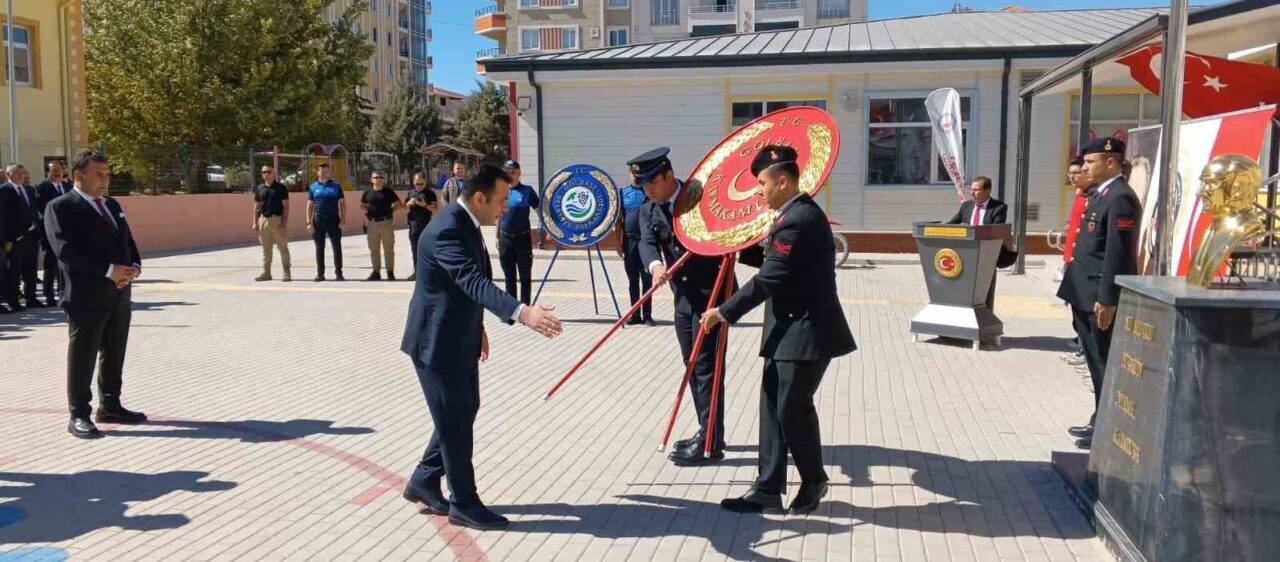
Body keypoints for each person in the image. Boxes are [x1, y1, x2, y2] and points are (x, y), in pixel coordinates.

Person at [399, 165, 563, 530]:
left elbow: (465, 287)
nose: (506, 206)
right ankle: (464, 502)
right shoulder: (445, 231)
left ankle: (424, 480)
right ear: (478, 198)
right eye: (502, 199)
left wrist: (480, 326)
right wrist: (522, 312)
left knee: (462, 410)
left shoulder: (466, 224)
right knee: (454, 421)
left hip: (459, 336)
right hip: (435, 343)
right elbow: (472, 280)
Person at [702, 145, 857, 515]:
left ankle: (813, 478)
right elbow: (775, 256)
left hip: (806, 333)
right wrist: (736, 247)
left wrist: (723, 312)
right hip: (787, 333)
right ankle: (768, 488)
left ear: (783, 181)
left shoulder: (799, 219)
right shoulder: (790, 215)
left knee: (791, 409)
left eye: (761, 183)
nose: (758, 190)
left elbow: (770, 277)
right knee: (772, 407)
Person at [630, 147, 730, 467]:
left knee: (707, 368)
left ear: (668, 176)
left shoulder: (699, 199)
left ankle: (710, 442)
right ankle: (709, 429)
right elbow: (646, 243)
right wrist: (656, 266)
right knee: (691, 366)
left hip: (711, 295)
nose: (649, 191)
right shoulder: (650, 209)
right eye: (643, 187)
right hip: (682, 298)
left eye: (652, 184)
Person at [44, 149, 147, 439]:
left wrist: (134, 266)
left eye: (108, 173)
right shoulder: (61, 207)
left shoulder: (112, 205)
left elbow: (127, 240)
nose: (106, 179)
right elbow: (65, 251)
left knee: (115, 352)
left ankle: (111, 405)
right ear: (78, 176)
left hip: (119, 292)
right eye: (98, 174)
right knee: (83, 354)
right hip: (85, 295)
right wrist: (108, 270)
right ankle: (78, 414)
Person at [1057, 137, 1140, 450]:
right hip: (1084, 293)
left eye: (1091, 163)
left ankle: (1107, 429)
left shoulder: (1120, 198)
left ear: (1111, 162)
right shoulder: (1101, 194)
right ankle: (1099, 420)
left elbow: (1118, 255)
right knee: (1095, 363)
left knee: (1105, 363)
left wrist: (1108, 299)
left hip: (1098, 298)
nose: (1085, 167)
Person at [1060, 158, 1090, 370]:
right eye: (1070, 173)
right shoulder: (1079, 195)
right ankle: (1080, 342)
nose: (1072, 176)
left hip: (1081, 262)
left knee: (1081, 307)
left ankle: (1084, 349)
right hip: (1070, 259)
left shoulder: (1091, 197)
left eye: (1076, 173)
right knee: (1073, 305)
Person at [497, 160, 539, 304]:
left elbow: (539, 210)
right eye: (507, 172)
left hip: (522, 238)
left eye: (513, 172)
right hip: (505, 239)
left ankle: (525, 308)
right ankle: (511, 310)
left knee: (525, 277)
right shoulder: (500, 192)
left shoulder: (527, 191)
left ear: (519, 173)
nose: (510, 175)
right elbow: (498, 216)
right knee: (509, 277)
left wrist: (545, 229)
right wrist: (497, 237)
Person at [614, 171, 654, 326]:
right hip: (629, 241)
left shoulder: (648, 191)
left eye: (638, 173)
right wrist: (617, 242)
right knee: (633, 280)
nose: (635, 176)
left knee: (647, 280)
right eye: (632, 173)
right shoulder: (623, 193)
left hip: (646, 241)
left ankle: (648, 315)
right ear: (629, 174)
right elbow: (618, 220)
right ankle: (635, 314)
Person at [1, 164, 41, 309]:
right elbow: (3, 217)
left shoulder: (29, 190)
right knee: (14, 271)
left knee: (31, 269)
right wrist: (6, 239)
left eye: (22, 172)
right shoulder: (4, 190)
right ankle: (13, 300)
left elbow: (33, 212)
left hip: (31, 236)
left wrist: (37, 231)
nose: (20, 175)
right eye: (16, 172)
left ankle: (31, 297)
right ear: (8, 174)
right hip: (14, 238)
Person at [37, 161, 73, 302]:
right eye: (54, 170)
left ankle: (64, 293)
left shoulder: (68, 186)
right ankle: (49, 295)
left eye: (60, 169)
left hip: (68, 234)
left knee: (66, 265)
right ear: (48, 172)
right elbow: (43, 209)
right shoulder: (41, 187)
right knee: (51, 266)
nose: (58, 172)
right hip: (52, 233)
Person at [307, 162, 346, 282]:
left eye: (326, 171)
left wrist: (343, 219)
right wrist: (309, 222)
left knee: (336, 246)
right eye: (321, 171)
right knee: (319, 247)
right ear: (317, 172)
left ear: (329, 172)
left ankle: (339, 273)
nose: (323, 173)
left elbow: (343, 204)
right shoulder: (313, 187)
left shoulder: (336, 186)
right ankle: (320, 274)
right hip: (318, 219)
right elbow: (309, 205)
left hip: (333, 219)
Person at [252, 165, 292, 282]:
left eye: (269, 172)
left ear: (273, 173)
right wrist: (255, 222)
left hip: (277, 220)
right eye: (264, 172)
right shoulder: (259, 188)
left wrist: (284, 224)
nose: (266, 174)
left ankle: (286, 272)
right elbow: (256, 207)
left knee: (282, 247)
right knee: (266, 249)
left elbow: (286, 207)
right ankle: (266, 272)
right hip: (263, 220)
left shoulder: (281, 188)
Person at [360, 170, 402, 281]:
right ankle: (376, 272)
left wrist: (390, 211)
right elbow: (362, 205)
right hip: (372, 224)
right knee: (374, 249)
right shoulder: (367, 192)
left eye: (380, 178)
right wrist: (369, 211)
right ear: (371, 179)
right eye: (376, 177)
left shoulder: (388, 192)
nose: (378, 179)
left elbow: (398, 205)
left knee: (388, 248)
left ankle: (390, 272)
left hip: (386, 223)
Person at [405, 171, 439, 282]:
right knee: (415, 250)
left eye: (421, 184)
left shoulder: (430, 194)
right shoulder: (410, 193)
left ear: (425, 182)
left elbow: (435, 208)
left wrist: (424, 205)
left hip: (426, 226)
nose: (418, 186)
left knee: (427, 250)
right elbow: (404, 207)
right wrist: (409, 203)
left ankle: (429, 272)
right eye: (416, 183)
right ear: (413, 182)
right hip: (413, 226)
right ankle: (417, 272)